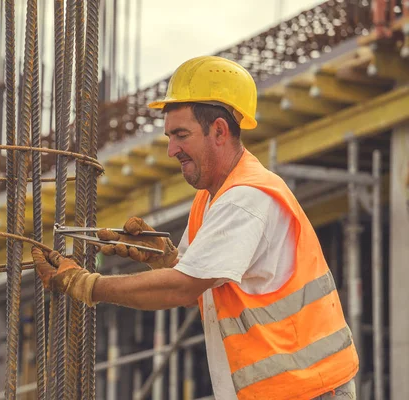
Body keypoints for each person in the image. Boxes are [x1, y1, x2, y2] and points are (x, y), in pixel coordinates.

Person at [31, 56, 359, 400]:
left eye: (181, 135)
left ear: (219, 130)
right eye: (170, 136)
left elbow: (183, 288)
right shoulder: (210, 198)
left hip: (308, 390)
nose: (172, 150)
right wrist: (163, 260)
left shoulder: (245, 199)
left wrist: (88, 286)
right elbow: (196, 283)